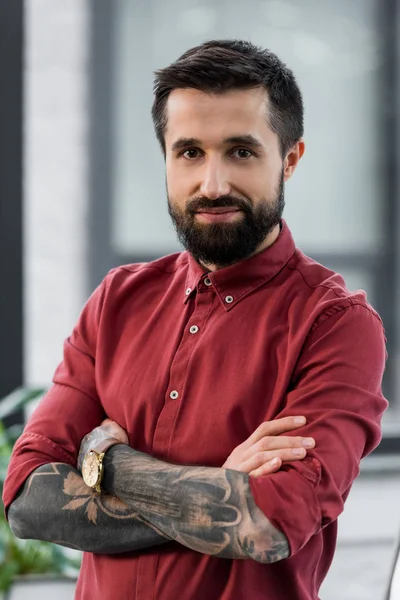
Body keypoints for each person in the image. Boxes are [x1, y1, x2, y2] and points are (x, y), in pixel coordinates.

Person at [4, 39, 387, 600]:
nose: (212, 185)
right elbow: (27, 501)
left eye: (240, 152)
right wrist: (219, 489)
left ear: (290, 158)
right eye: (189, 153)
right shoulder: (117, 300)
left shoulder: (335, 324)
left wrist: (106, 464)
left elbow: (272, 524)